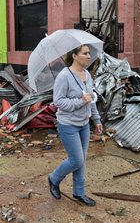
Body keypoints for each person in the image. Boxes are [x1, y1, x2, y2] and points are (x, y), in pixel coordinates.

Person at [48, 44, 103, 207]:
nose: (88, 56)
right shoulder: (64, 76)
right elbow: (58, 101)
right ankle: (54, 178)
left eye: (89, 53)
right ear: (74, 55)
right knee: (76, 160)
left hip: (84, 124)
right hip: (68, 124)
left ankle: (79, 192)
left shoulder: (87, 74)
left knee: (81, 160)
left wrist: (97, 119)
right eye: (85, 53)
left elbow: (91, 98)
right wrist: (80, 102)